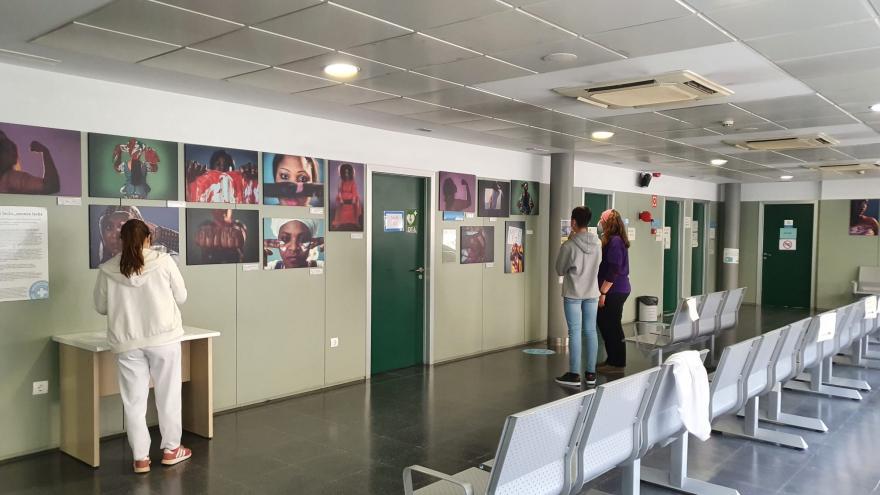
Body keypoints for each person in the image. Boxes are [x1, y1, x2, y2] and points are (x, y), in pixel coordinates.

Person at [93, 219, 191, 474]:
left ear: (122, 240)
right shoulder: (164, 261)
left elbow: (101, 308)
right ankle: (171, 449)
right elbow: (181, 297)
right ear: (149, 237)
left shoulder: (107, 268)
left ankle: (141, 458)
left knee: (134, 402)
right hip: (164, 338)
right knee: (168, 395)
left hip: (127, 342)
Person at [555, 206, 602, 387]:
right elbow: (598, 264)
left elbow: (560, 269)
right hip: (592, 292)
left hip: (573, 293)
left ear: (574, 222)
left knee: (574, 332)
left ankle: (574, 374)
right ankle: (591, 374)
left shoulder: (568, 245)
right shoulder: (598, 244)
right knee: (590, 331)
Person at [596, 209, 632, 374]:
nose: (599, 222)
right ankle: (612, 359)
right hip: (615, 289)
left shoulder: (615, 241)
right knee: (606, 324)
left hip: (614, 290)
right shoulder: (612, 240)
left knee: (611, 326)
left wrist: (603, 292)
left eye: (601, 220)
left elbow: (614, 268)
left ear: (608, 223)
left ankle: (617, 363)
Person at [94, 206, 179, 267]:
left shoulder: (161, 258)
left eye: (124, 226)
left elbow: (189, 251)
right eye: (109, 227)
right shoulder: (104, 269)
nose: (115, 235)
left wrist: (161, 233)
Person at [185, 149, 258, 204]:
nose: (222, 168)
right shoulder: (199, 181)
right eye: (218, 164)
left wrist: (255, 178)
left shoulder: (245, 182)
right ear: (211, 168)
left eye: (227, 164)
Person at [0, 130, 60, 195]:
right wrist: (45, 152)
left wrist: (45, 152)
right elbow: (51, 186)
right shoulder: (10, 179)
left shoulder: (11, 179)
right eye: (6, 149)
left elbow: (51, 186)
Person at [330, 163, 362, 230]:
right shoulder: (341, 182)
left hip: (351, 198)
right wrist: (341, 199)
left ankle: (355, 222)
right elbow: (339, 192)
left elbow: (354, 192)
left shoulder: (353, 182)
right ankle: (338, 221)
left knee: (356, 200)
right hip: (343, 198)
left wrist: (353, 199)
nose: (346, 174)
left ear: (350, 173)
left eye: (348, 172)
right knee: (338, 200)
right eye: (345, 173)